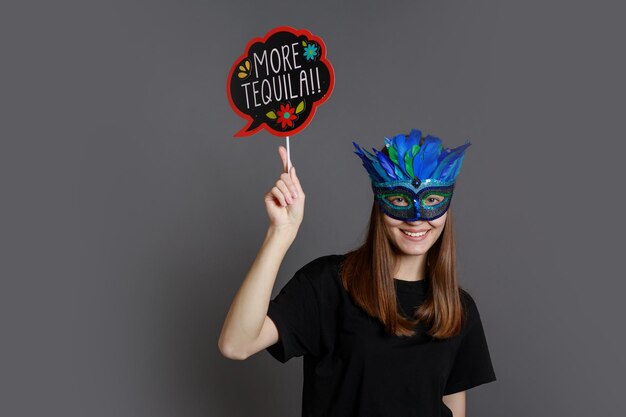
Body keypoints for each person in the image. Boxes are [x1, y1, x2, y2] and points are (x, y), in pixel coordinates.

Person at [218, 129, 497, 417]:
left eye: (431, 200)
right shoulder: (329, 283)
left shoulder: (457, 307)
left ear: (446, 207)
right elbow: (236, 344)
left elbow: (453, 407)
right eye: (400, 200)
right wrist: (280, 233)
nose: (417, 218)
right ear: (379, 203)